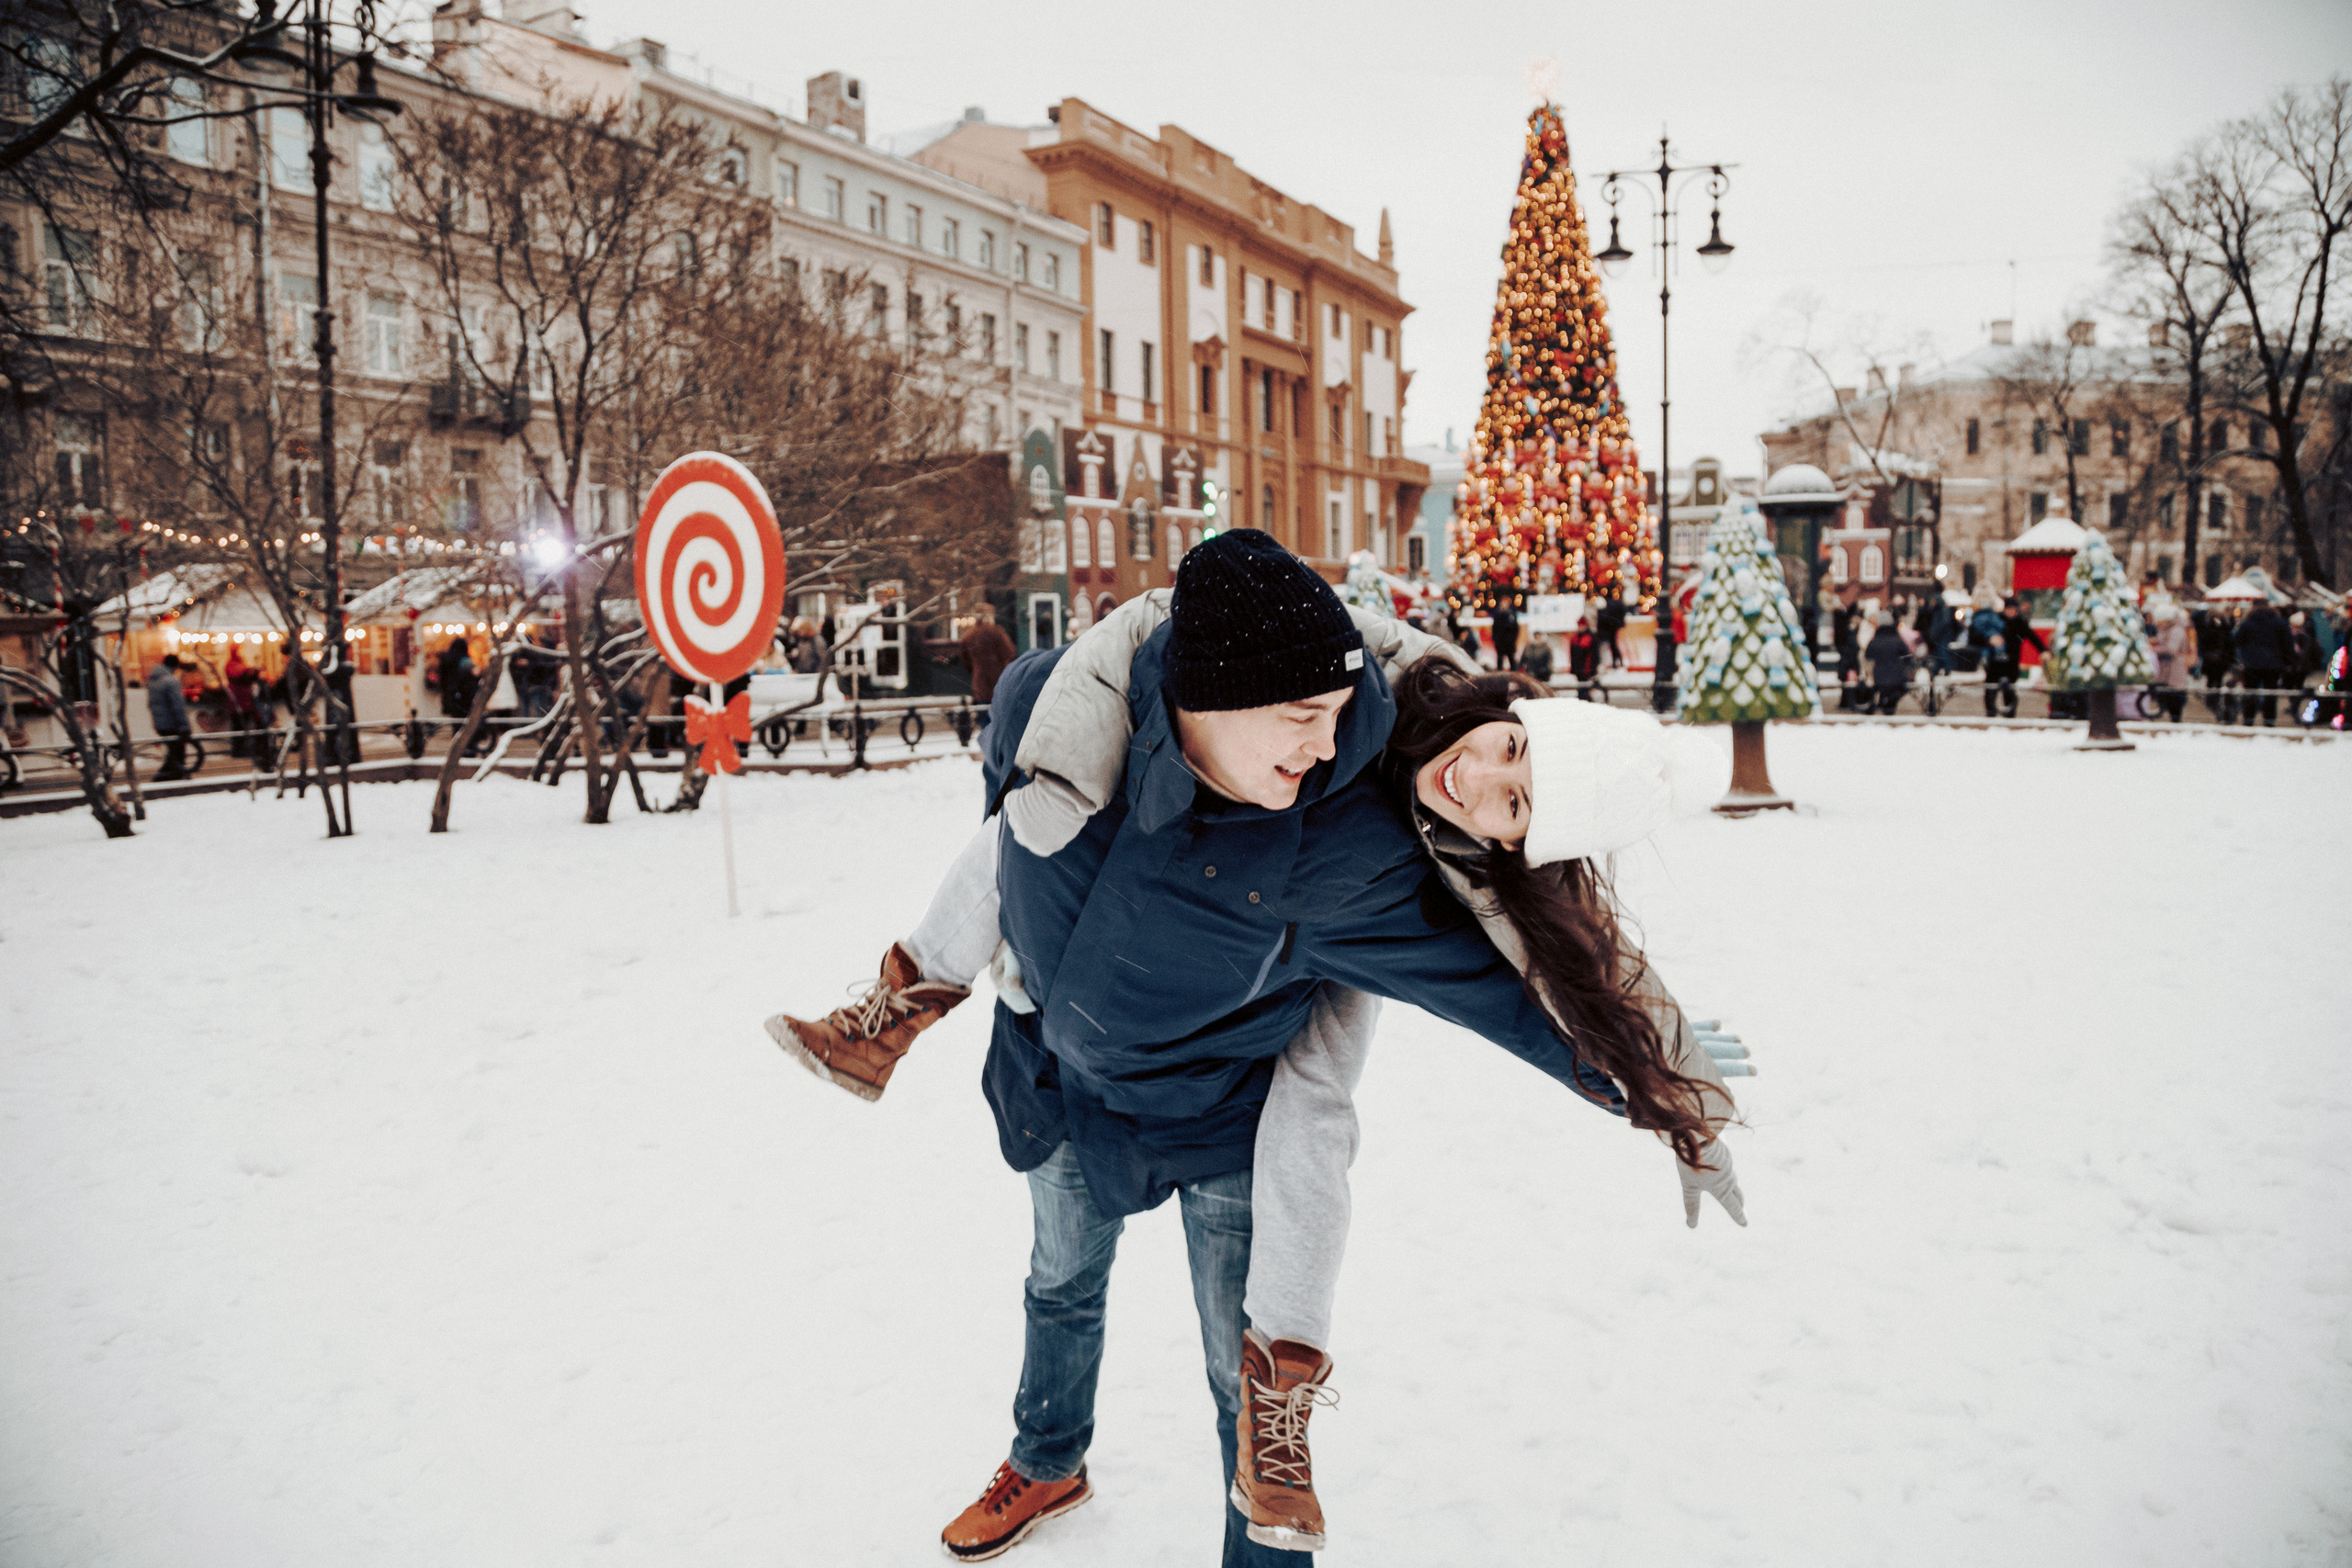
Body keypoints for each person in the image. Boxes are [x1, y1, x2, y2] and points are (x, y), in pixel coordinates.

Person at [768, 534, 1743, 1564]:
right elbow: (1010, 832)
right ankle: (1048, 1459)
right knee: (1058, 1283)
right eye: (1509, 755)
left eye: (1516, 801)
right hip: (1062, 1081)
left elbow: (1501, 993)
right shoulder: (1070, 711)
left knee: (1246, 1382)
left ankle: (1266, 1557)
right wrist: (991, 958)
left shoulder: (1356, 853)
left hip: (1219, 1117)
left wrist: (1662, 1089)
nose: (1484, 777)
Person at [2233, 597, 2292, 728]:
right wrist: (2288, 661)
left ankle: (2248, 719)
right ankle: (2269, 720)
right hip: (2273, 664)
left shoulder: (2247, 622)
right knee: (2271, 693)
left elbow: (2237, 640)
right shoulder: (2279, 622)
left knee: (2250, 692)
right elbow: (2287, 644)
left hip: (2251, 663)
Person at [145, 653, 193, 780]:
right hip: (171, 722)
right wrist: (184, 724)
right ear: (175, 665)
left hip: (160, 722)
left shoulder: (153, 680)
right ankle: (168, 774)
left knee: (173, 748)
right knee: (177, 748)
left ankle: (173, 773)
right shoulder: (171, 681)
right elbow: (177, 705)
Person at [962, 617, 1018, 706]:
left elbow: (965, 658)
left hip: (979, 680)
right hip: (998, 678)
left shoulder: (969, 635)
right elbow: (1009, 652)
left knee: (982, 711)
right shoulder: (997, 633)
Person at [2151, 609, 2191, 722]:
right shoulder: (2169, 629)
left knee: (2174, 696)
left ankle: (2175, 720)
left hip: (2173, 670)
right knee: (2166, 695)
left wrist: (2154, 650)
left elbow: (2172, 649)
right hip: (2166, 670)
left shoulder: (2176, 630)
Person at [1864, 614, 1909, 715]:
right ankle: (1889, 703)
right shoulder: (1897, 640)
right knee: (1899, 689)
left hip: (1879, 677)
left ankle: (1881, 703)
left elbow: (1868, 655)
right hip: (1897, 677)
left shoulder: (1875, 640)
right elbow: (1907, 655)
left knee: (1881, 689)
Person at [435, 634, 478, 721]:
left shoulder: (445, 660)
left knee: (455, 721)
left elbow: (442, 680)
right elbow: (472, 680)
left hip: (451, 696)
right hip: (464, 697)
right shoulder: (466, 662)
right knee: (465, 722)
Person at [1566, 612, 1602, 701]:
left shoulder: (1591, 638)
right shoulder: (1575, 638)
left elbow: (1595, 655)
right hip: (1579, 670)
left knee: (1587, 689)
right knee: (1581, 690)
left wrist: (1594, 668)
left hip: (1588, 670)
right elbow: (1572, 655)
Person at [1596, 589, 1627, 670]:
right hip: (1613, 626)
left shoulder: (1607, 604)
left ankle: (1612, 662)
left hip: (1609, 627)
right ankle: (1617, 661)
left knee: (1609, 645)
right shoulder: (1617, 603)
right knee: (1613, 644)